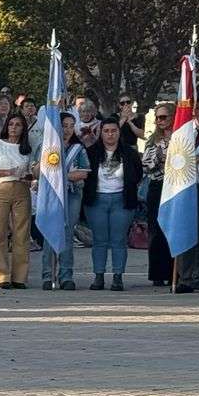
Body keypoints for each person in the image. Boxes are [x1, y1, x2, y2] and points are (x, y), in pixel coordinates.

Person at [79, 117, 142, 291]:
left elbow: (138, 174)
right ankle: (98, 276)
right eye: (106, 131)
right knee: (99, 240)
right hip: (96, 201)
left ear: (119, 132)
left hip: (121, 200)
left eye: (114, 131)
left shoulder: (129, 153)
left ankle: (117, 276)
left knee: (118, 239)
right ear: (101, 133)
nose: (110, 134)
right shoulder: (91, 152)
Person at [38, 112, 89, 290]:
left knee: (67, 232)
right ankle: (47, 275)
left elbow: (83, 173)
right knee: (49, 231)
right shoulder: (46, 146)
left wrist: (60, 177)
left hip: (72, 194)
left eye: (71, 126)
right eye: (64, 126)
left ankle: (66, 276)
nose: (67, 130)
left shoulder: (78, 148)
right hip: (51, 194)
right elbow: (36, 170)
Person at [0, 113, 35, 289]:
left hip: (22, 189)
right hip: (1, 188)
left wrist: (28, 175)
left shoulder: (27, 148)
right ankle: (1, 275)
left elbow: (32, 171)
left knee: (21, 233)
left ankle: (19, 277)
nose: (14, 128)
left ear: (23, 128)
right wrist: (9, 171)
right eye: (11, 124)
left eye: (18, 125)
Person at [168, 92, 199, 293]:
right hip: (187, 187)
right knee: (189, 233)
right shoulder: (186, 131)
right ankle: (189, 278)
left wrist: (194, 158)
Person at [142, 103, 175, 286]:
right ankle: (157, 273)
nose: (159, 121)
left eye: (163, 117)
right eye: (157, 118)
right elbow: (146, 165)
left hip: (176, 186)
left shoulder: (181, 137)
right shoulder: (152, 140)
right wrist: (159, 158)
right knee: (156, 230)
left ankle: (174, 272)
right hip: (157, 185)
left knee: (173, 229)